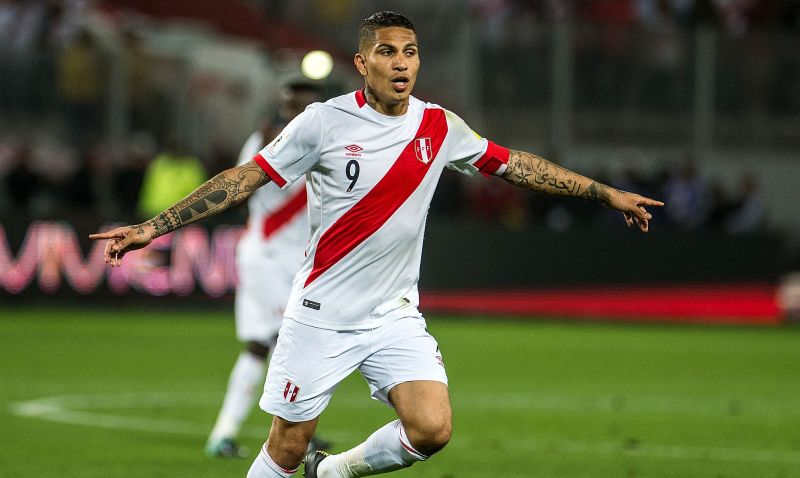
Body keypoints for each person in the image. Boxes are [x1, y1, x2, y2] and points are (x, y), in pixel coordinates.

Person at [91, 11, 663, 478]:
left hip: (392, 315)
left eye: (410, 52)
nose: (401, 63)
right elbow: (245, 179)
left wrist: (603, 193)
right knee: (287, 447)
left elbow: (513, 165)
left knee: (432, 429)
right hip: (321, 314)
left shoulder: (440, 126)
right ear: (362, 63)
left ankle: (334, 473)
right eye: (387, 52)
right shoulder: (322, 123)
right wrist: (152, 228)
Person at [205, 79, 329, 458]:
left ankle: (290, 429)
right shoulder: (264, 141)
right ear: (284, 105)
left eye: (307, 104)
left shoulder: (324, 140)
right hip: (267, 256)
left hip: (296, 259)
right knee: (278, 342)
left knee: (280, 344)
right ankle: (228, 435)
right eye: (293, 104)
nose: (299, 111)